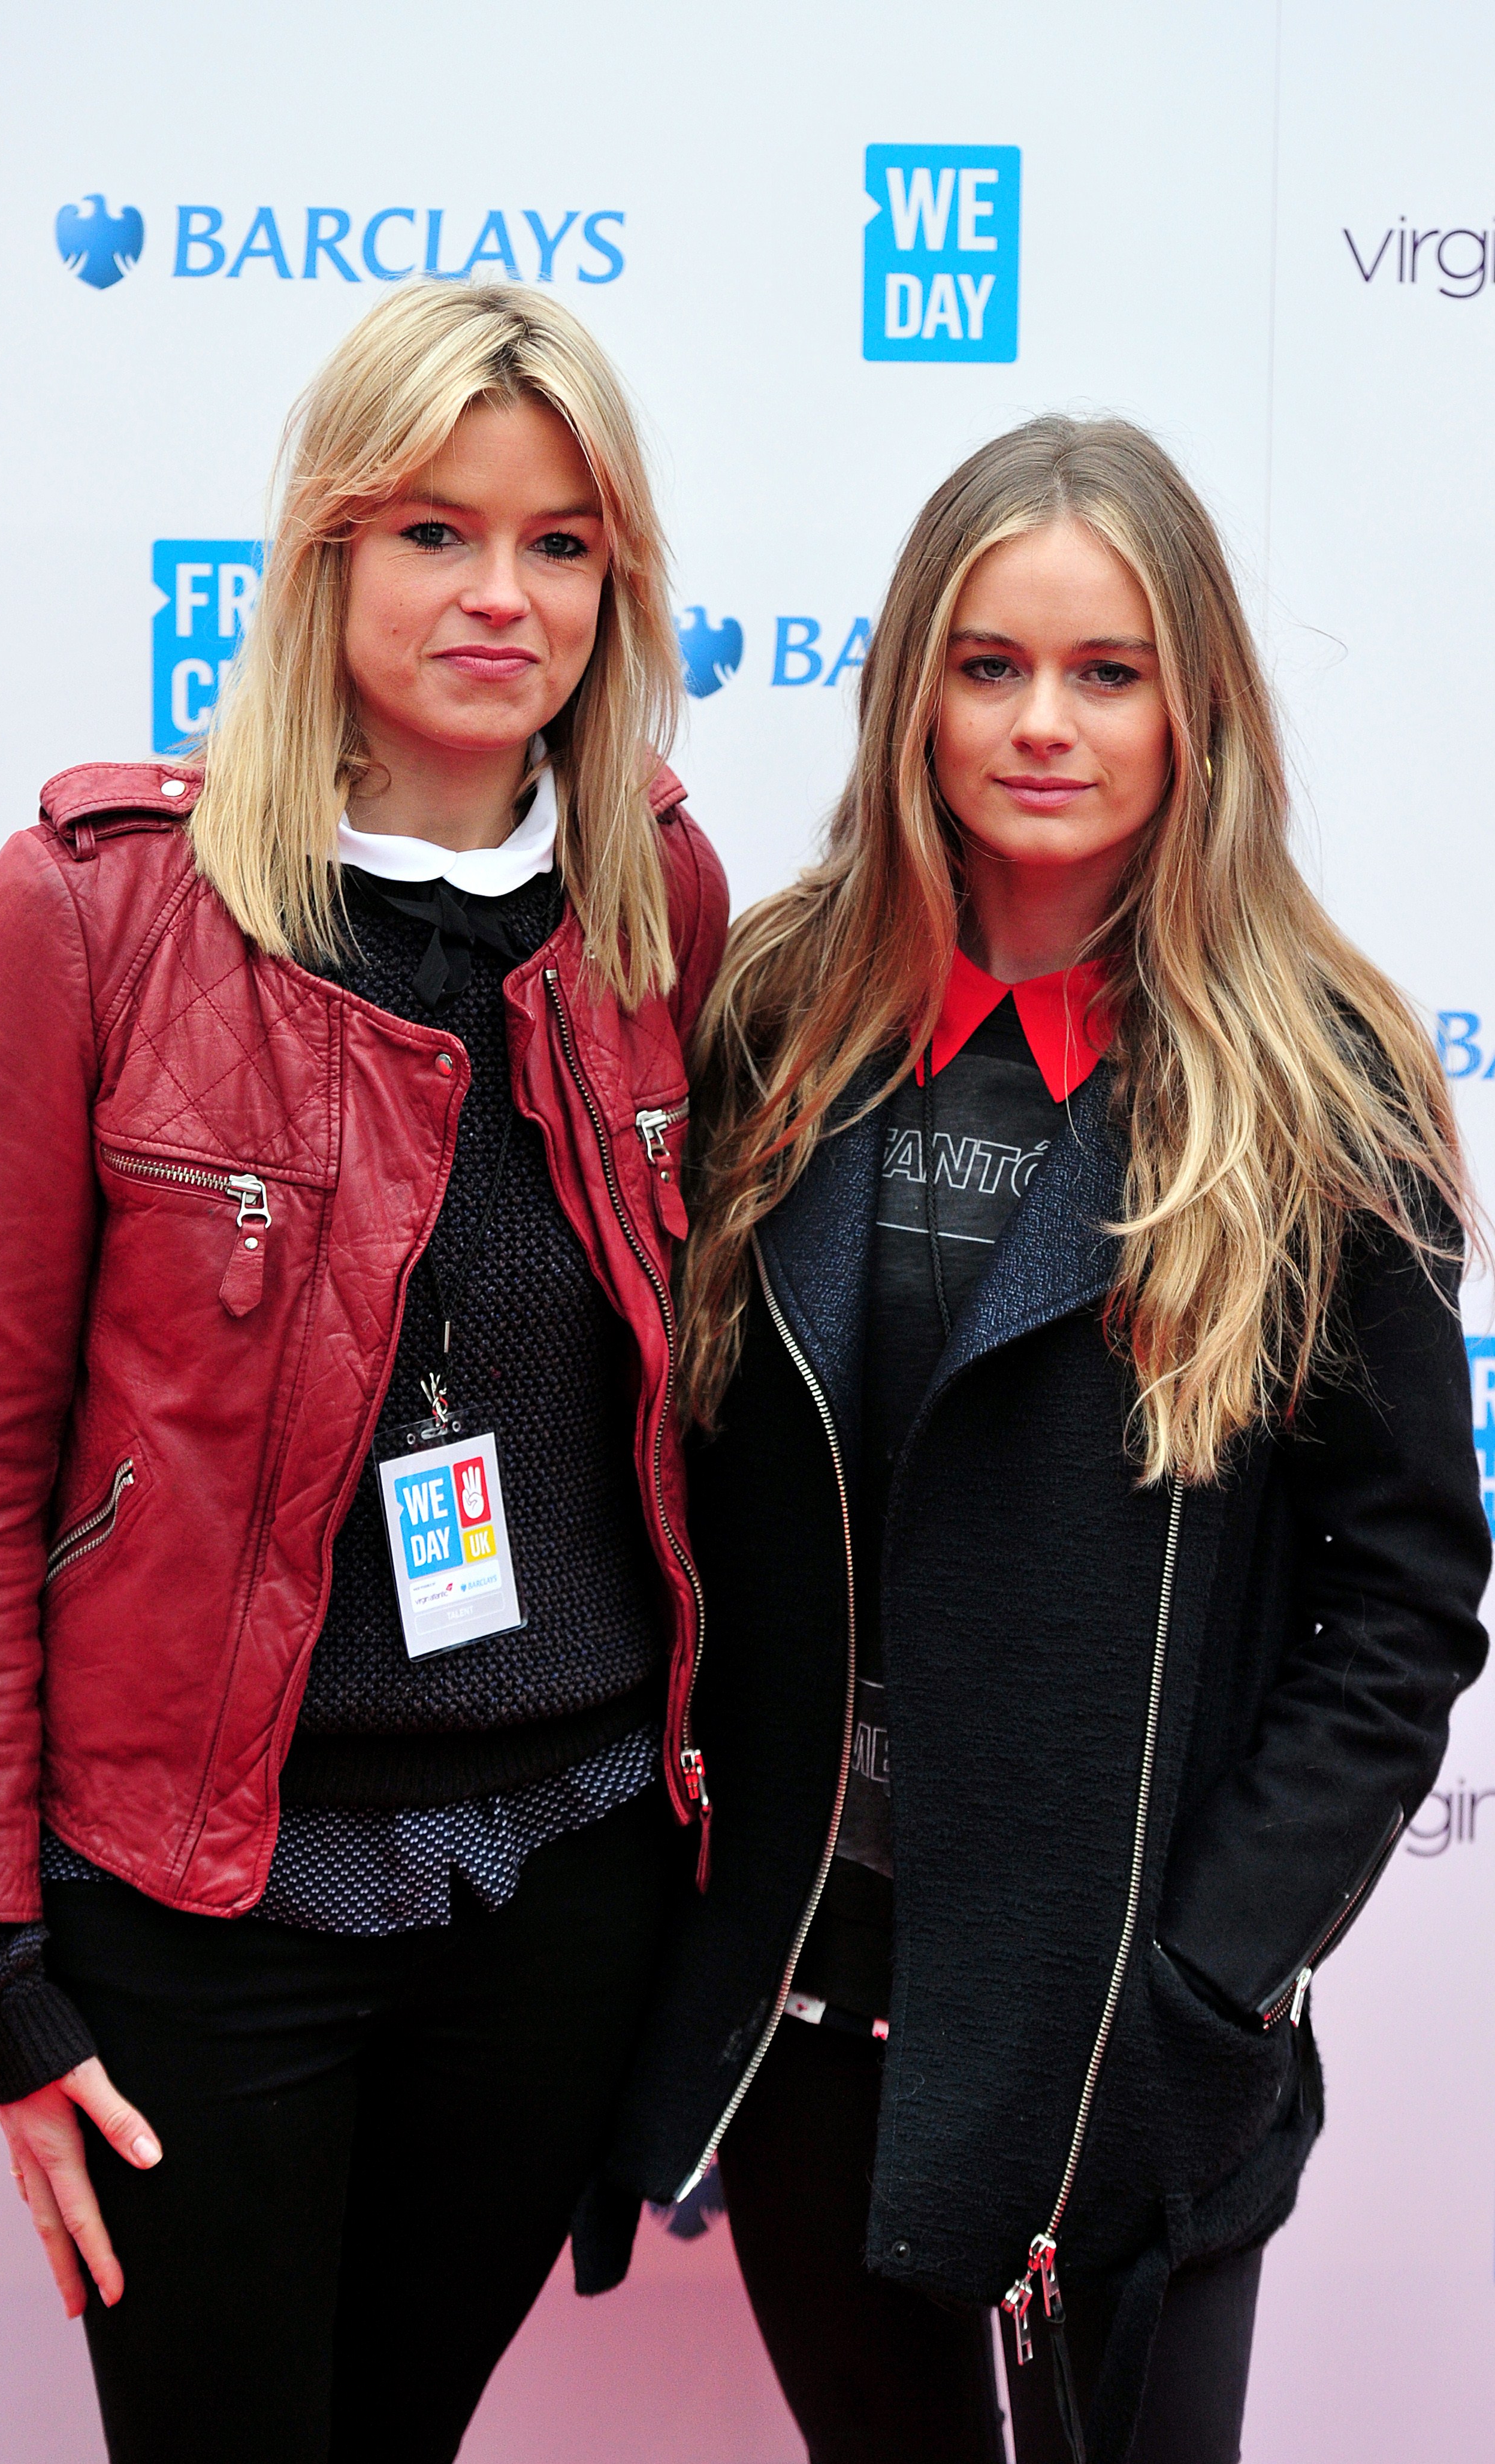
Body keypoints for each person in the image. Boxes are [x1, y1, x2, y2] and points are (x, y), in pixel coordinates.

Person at [0, 279, 726, 2464]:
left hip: (566, 1885)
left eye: (559, 542)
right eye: (434, 528)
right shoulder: (95, 914)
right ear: (325, 549)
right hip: (203, 1906)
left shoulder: (663, 902)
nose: (499, 592)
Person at [588, 418, 1489, 2464]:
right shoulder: (778, 1011)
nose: (1042, 725)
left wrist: (1215, 1974)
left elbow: (1406, 1599)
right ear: (913, 682)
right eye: (987, 665)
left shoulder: (1318, 1077)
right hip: (807, 2011)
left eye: (1106, 673)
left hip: (1117, 2022)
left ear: (1196, 708)